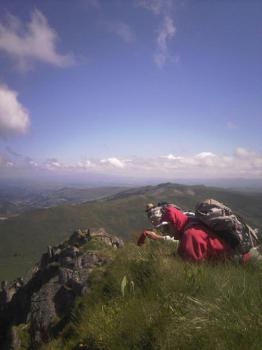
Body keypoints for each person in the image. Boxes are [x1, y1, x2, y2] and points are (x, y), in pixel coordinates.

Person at [137, 203, 251, 263]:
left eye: (167, 228)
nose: (167, 232)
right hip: (237, 256)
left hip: (237, 262)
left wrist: (162, 261)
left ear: (175, 223)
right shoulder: (191, 221)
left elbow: (190, 266)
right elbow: (182, 253)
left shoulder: (190, 234)